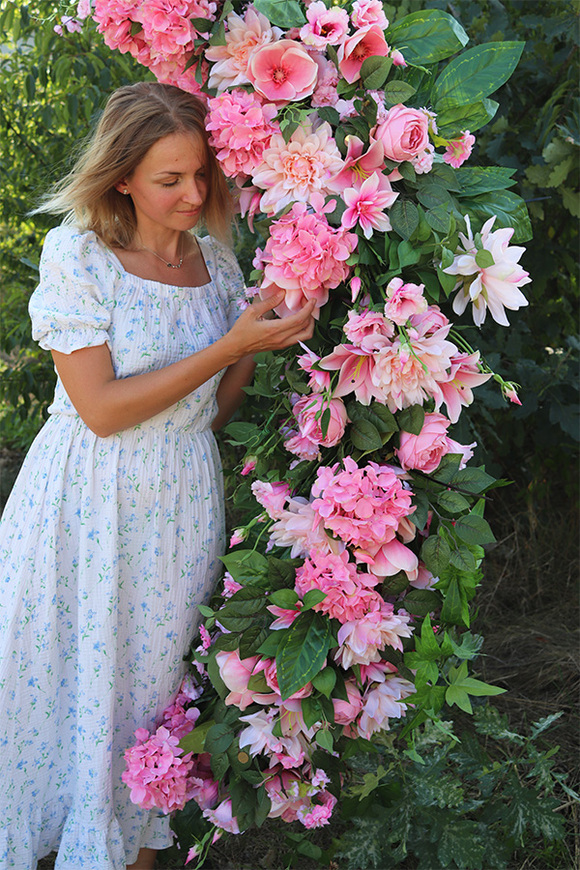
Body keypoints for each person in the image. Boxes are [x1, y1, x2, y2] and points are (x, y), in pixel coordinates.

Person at [0, 81, 315, 870]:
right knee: (64, 680)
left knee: (149, 694)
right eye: (169, 180)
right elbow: (101, 409)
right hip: (85, 495)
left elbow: (207, 410)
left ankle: (132, 850)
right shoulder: (79, 256)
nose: (192, 194)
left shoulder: (215, 262)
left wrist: (254, 338)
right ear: (122, 179)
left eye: (201, 175)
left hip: (179, 494)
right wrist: (228, 346)